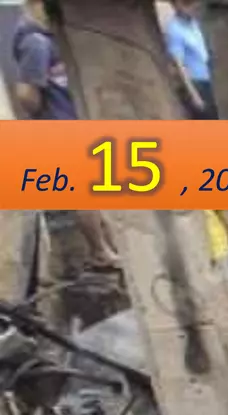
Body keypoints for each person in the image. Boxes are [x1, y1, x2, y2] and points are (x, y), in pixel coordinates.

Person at [11, 0, 116, 266]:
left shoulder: (53, 39)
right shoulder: (36, 43)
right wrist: (45, 113)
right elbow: (26, 94)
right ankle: (99, 252)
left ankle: (106, 246)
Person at [163, 0, 215, 117]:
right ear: (175, 5)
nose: (191, 7)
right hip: (195, 84)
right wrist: (194, 95)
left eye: (193, 3)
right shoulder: (174, 29)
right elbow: (179, 65)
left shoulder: (194, 24)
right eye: (186, 3)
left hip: (208, 81)